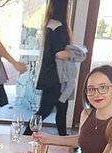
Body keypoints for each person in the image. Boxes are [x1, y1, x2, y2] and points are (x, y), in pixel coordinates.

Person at [34, 65, 112, 153]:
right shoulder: (86, 113)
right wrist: (49, 138)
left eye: (103, 87)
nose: (96, 93)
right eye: (91, 89)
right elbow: (81, 140)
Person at [25, 0, 72, 136]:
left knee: (60, 108)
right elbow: (59, 53)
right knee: (45, 110)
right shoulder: (58, 27)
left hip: (52, 76)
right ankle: (25, 135)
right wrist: (77, 52)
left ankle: (63, 137)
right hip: (55, 77)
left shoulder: (51, 25)